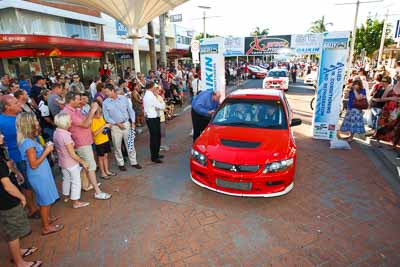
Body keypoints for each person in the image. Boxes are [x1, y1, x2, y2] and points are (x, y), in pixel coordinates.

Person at [16, 112, 63, 236]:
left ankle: (47, 219)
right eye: (35, 121)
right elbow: (33, 164)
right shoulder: (28, 142)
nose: (37, 122)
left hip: (42, 173)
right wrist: (46, 151)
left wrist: (43, 147)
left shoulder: (31, 139)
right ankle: (46, 227)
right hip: (38, 174)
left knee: (45, 199)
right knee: (44, 200)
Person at [0, 132, 43, 267]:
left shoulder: (1, 151)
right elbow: (6, 185)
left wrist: (16, 172)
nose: (2, 136)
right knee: (13, 231)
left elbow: (8, 167)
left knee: (13, 230)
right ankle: (19, 262)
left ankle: (18, 252)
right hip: (7, 200)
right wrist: (21, 196)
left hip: (7, 198)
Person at [63, 91, 112, 200]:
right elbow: (86, 123)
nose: (80, 101)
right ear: (71, 100)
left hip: (86, 140)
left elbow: (88, 122)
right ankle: (97, 192)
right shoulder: (68, 112)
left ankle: (87, 185)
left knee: (87, 166)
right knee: (91, 166)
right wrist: (93, 110)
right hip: (81, 143)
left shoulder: (75, 110)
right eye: (78, 99)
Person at [0, 96, 38, 219]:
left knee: (30, 182)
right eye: (15, 103)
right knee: (27, 184)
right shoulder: (3, 121)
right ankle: (32, 209)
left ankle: (33, 207)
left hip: (27, 153)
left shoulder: (17, 116)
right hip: (18, 157)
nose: (19, 104)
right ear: (7, 107)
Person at [53, 112, 90, 209]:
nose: (71, 121)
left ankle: (66, 196)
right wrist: (83, 162)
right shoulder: (65, 135)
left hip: (62, 161)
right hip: (70, 162)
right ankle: (76, 201)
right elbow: (72, 154)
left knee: (66, 179)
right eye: (69, 120)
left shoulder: (56, 132)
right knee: (76, 181)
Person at [102, 84, 142, 171]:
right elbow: (106, 117)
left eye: (107, 91)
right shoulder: (105, 103)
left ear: (112, 90)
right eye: (105, 92)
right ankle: (120, 163)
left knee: (130, 144)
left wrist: (133, 122)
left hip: (126, 124)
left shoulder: (124, 98)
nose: (105, 93)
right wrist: (116, 123)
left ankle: (134, 162)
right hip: (115, 127)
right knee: (117, 146)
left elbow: (130, 110)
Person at [143, 81, 165, 163]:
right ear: (152, 87)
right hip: (152, 118)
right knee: (154, 137)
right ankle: (154, 156)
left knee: (157, 136)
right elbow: (161, 106)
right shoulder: (150, 96)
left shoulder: (150, 95)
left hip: (154, 117)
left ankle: (156, 154)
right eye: (154, 87)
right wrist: (162, 102)